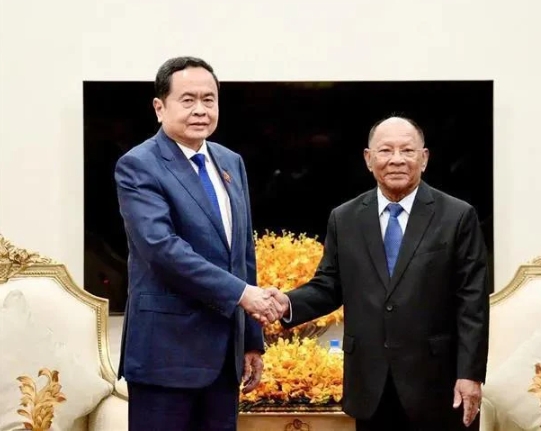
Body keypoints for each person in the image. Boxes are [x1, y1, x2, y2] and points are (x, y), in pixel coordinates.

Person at [271, 116, 490, 430]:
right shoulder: (344, 218)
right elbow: (329, 285)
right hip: (370, 383)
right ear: (368, 159)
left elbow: (472, 304)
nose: (397, 159)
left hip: (438, 384)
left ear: (424, 158)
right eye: (386, 150)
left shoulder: (457, 216)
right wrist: (285, 304)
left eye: (408, 150)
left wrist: (469, 375)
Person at [114, 56, 282, 431]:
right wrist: (242, 295)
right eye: (187, 100)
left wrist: (252, 340)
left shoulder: (230, 161)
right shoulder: (138, 165)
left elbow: (242, 254)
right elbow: (162, 250)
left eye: (209, 99)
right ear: (160, 107)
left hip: (223, 360)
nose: (200, 110)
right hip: (165, 358)